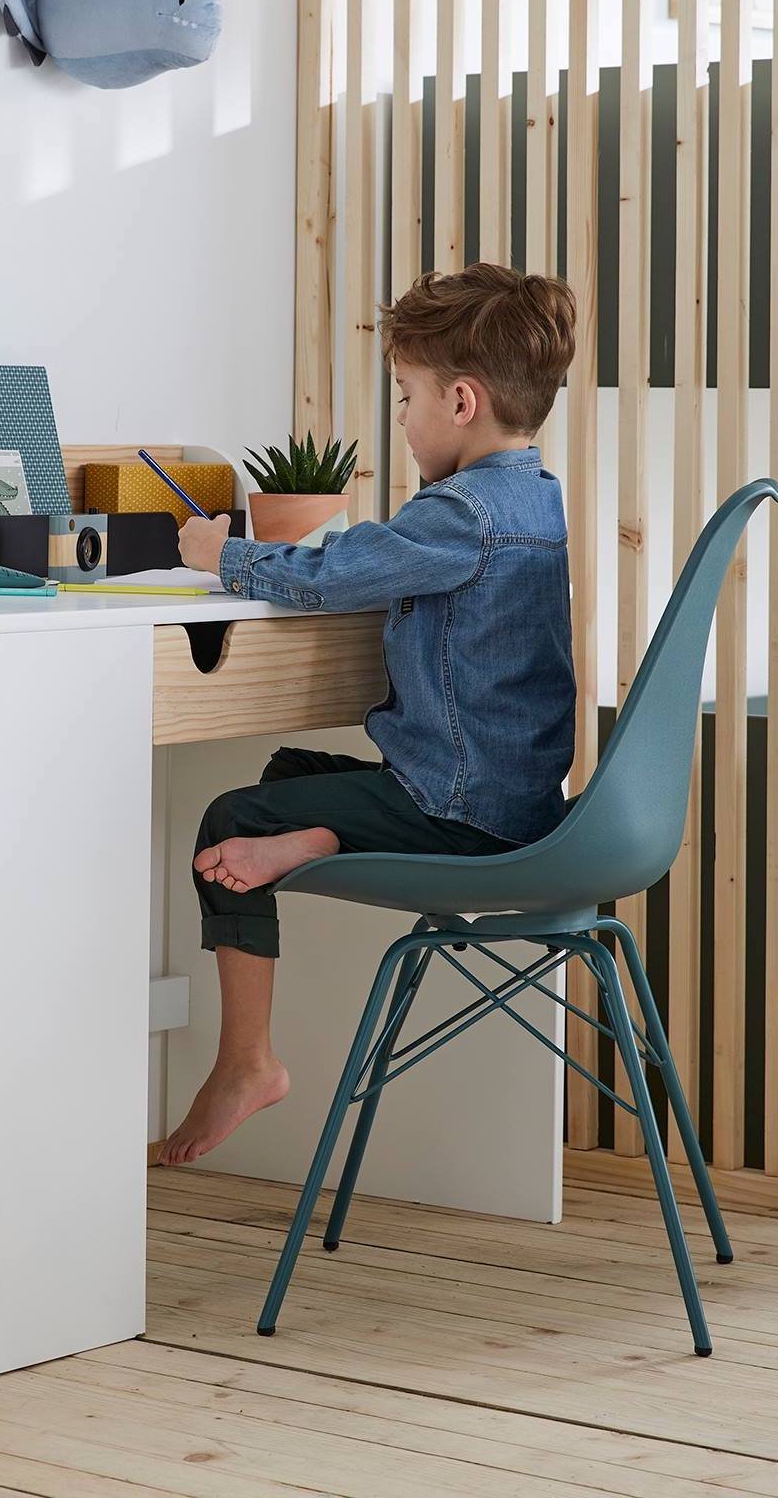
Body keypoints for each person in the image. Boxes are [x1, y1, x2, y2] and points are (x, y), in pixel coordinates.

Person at [162, 262, 578, 1166]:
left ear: (461, 401)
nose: (401, 418)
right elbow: (377, 556)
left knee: (232, 819)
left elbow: (331, 576)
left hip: (458, 814)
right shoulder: (532, 497)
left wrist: (220, 553)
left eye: (405, 396)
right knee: (291, 779)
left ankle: (248, 1064)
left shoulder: (462, 511)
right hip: (520, 809)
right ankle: (319, 834)